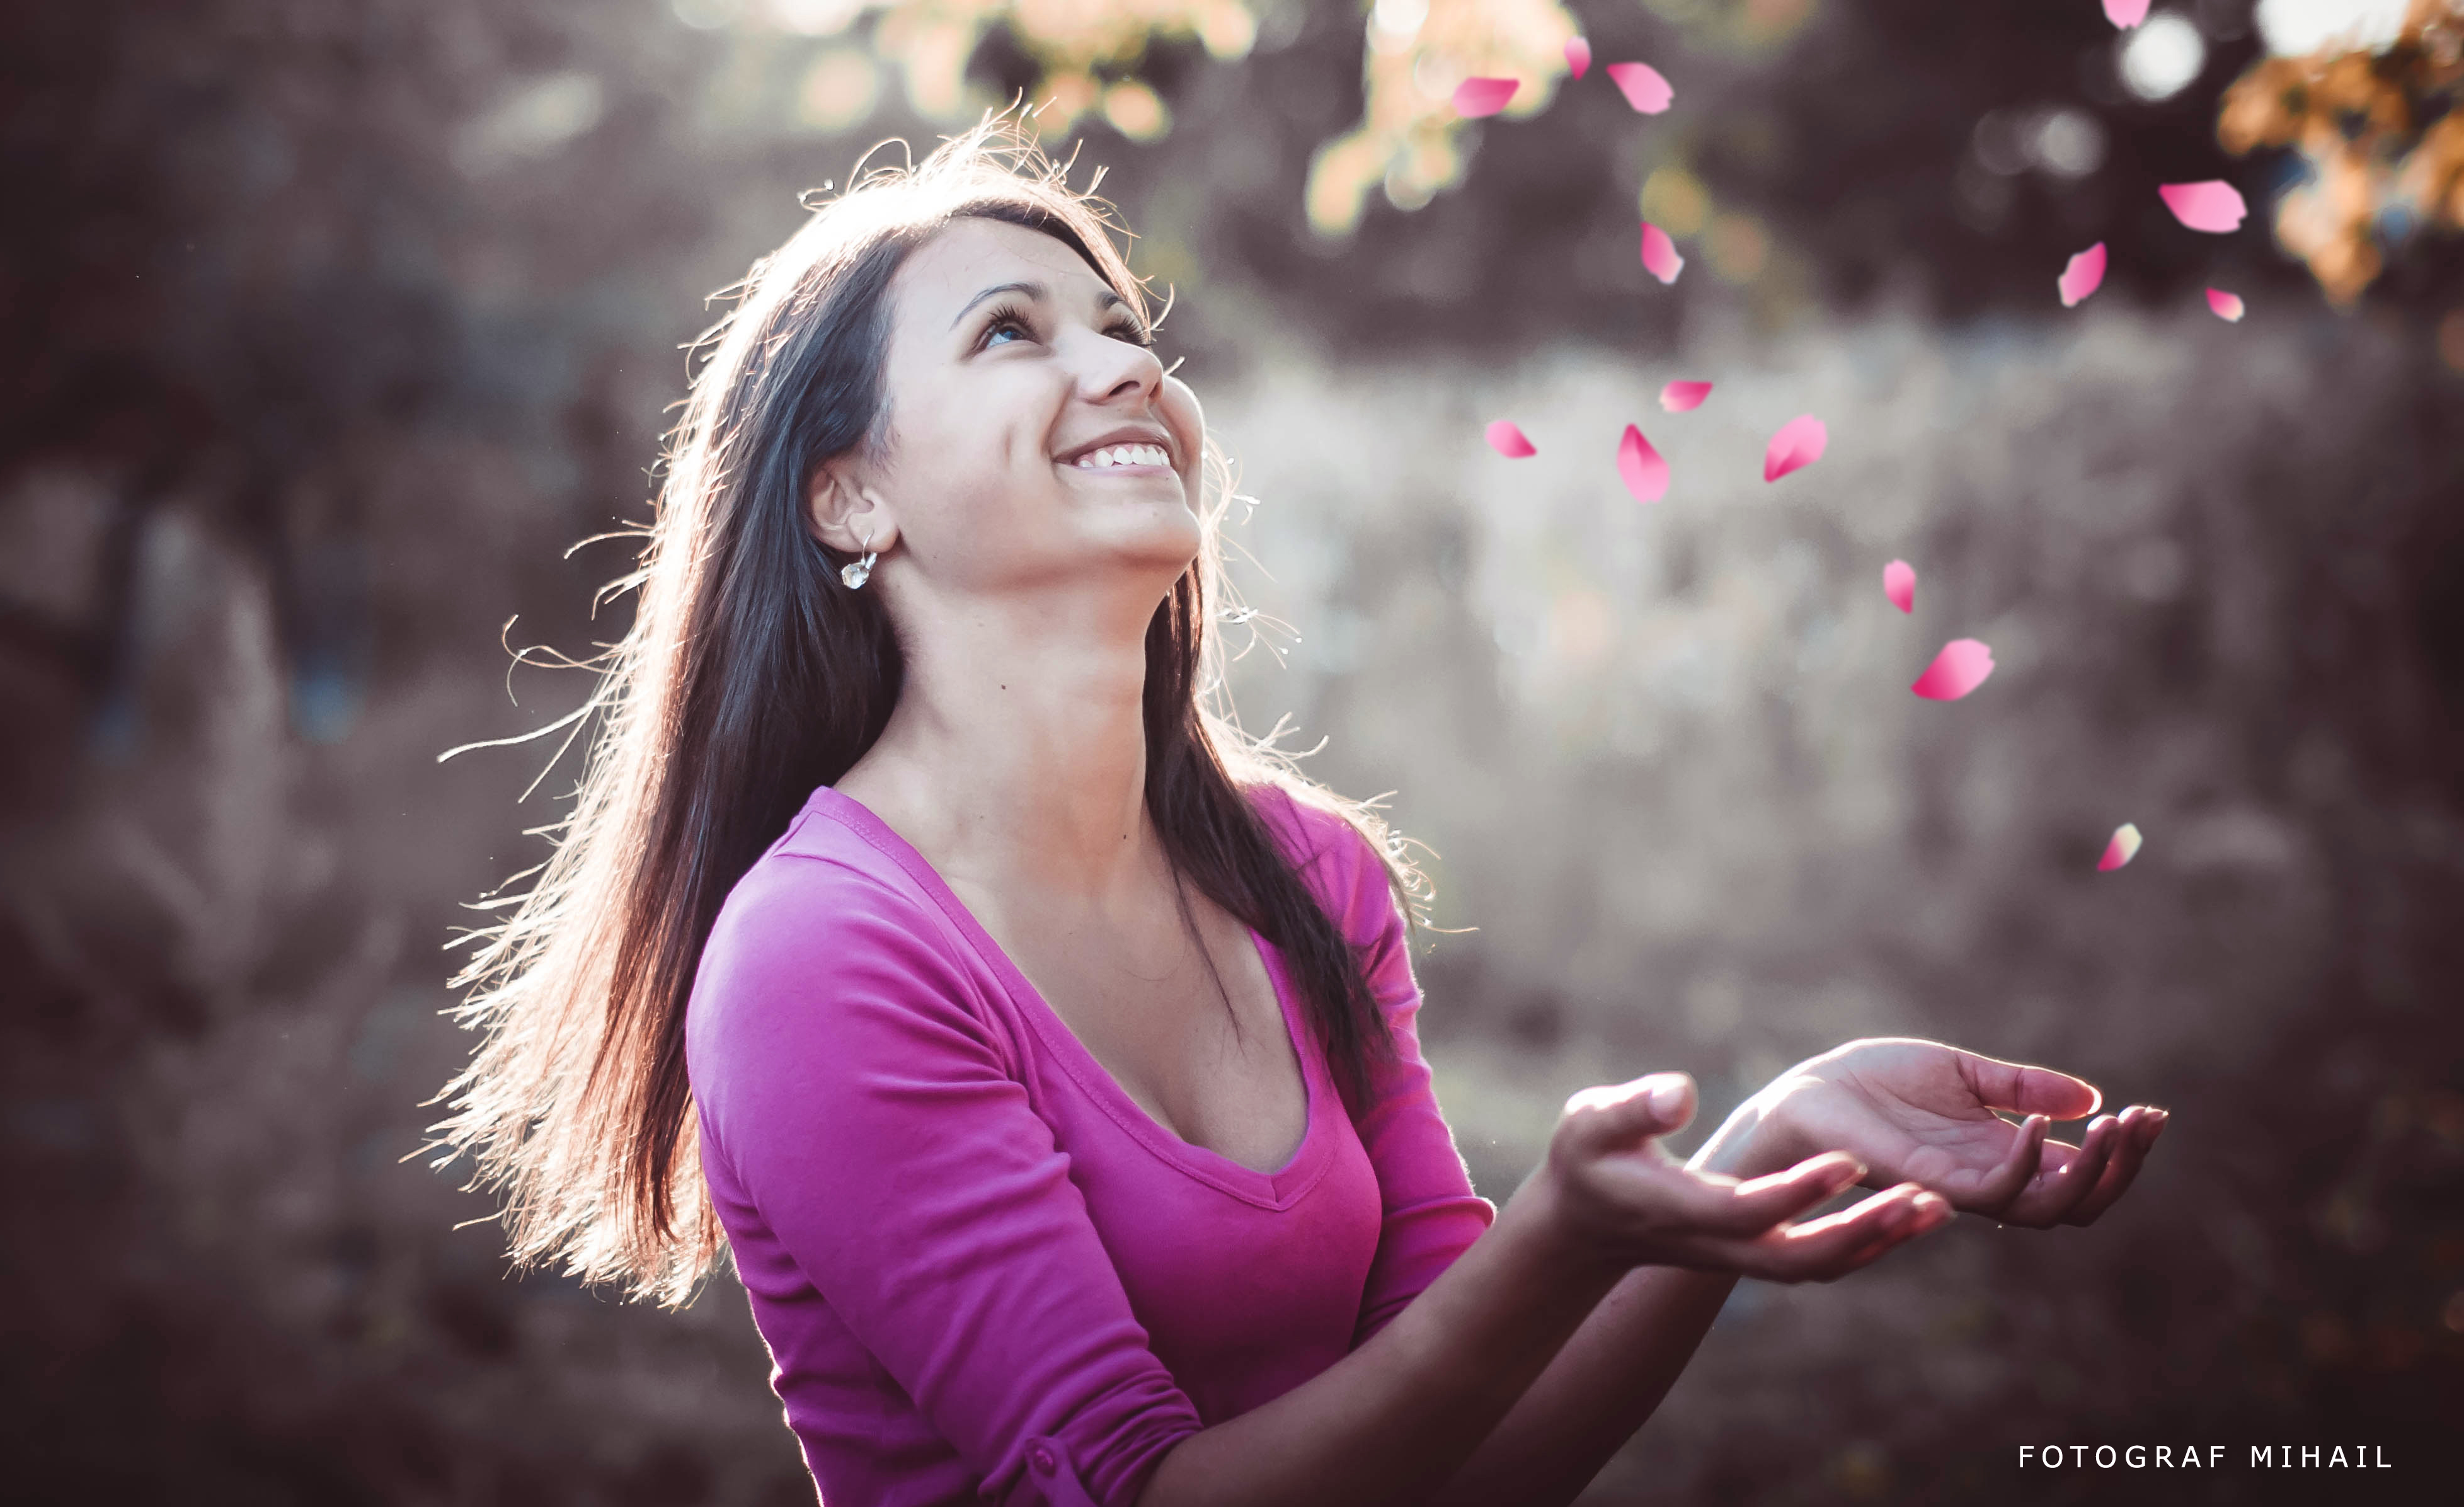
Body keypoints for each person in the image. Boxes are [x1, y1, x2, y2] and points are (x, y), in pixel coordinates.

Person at [436, 120, 2167, 1507]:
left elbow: (1478, 1452)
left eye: (1124, 325)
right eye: (1013, 333)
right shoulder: (827, 955)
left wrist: (1772, 1140)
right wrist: (1564, 1235)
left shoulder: (1303, 876)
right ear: (848, 497)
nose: (1121, 367)